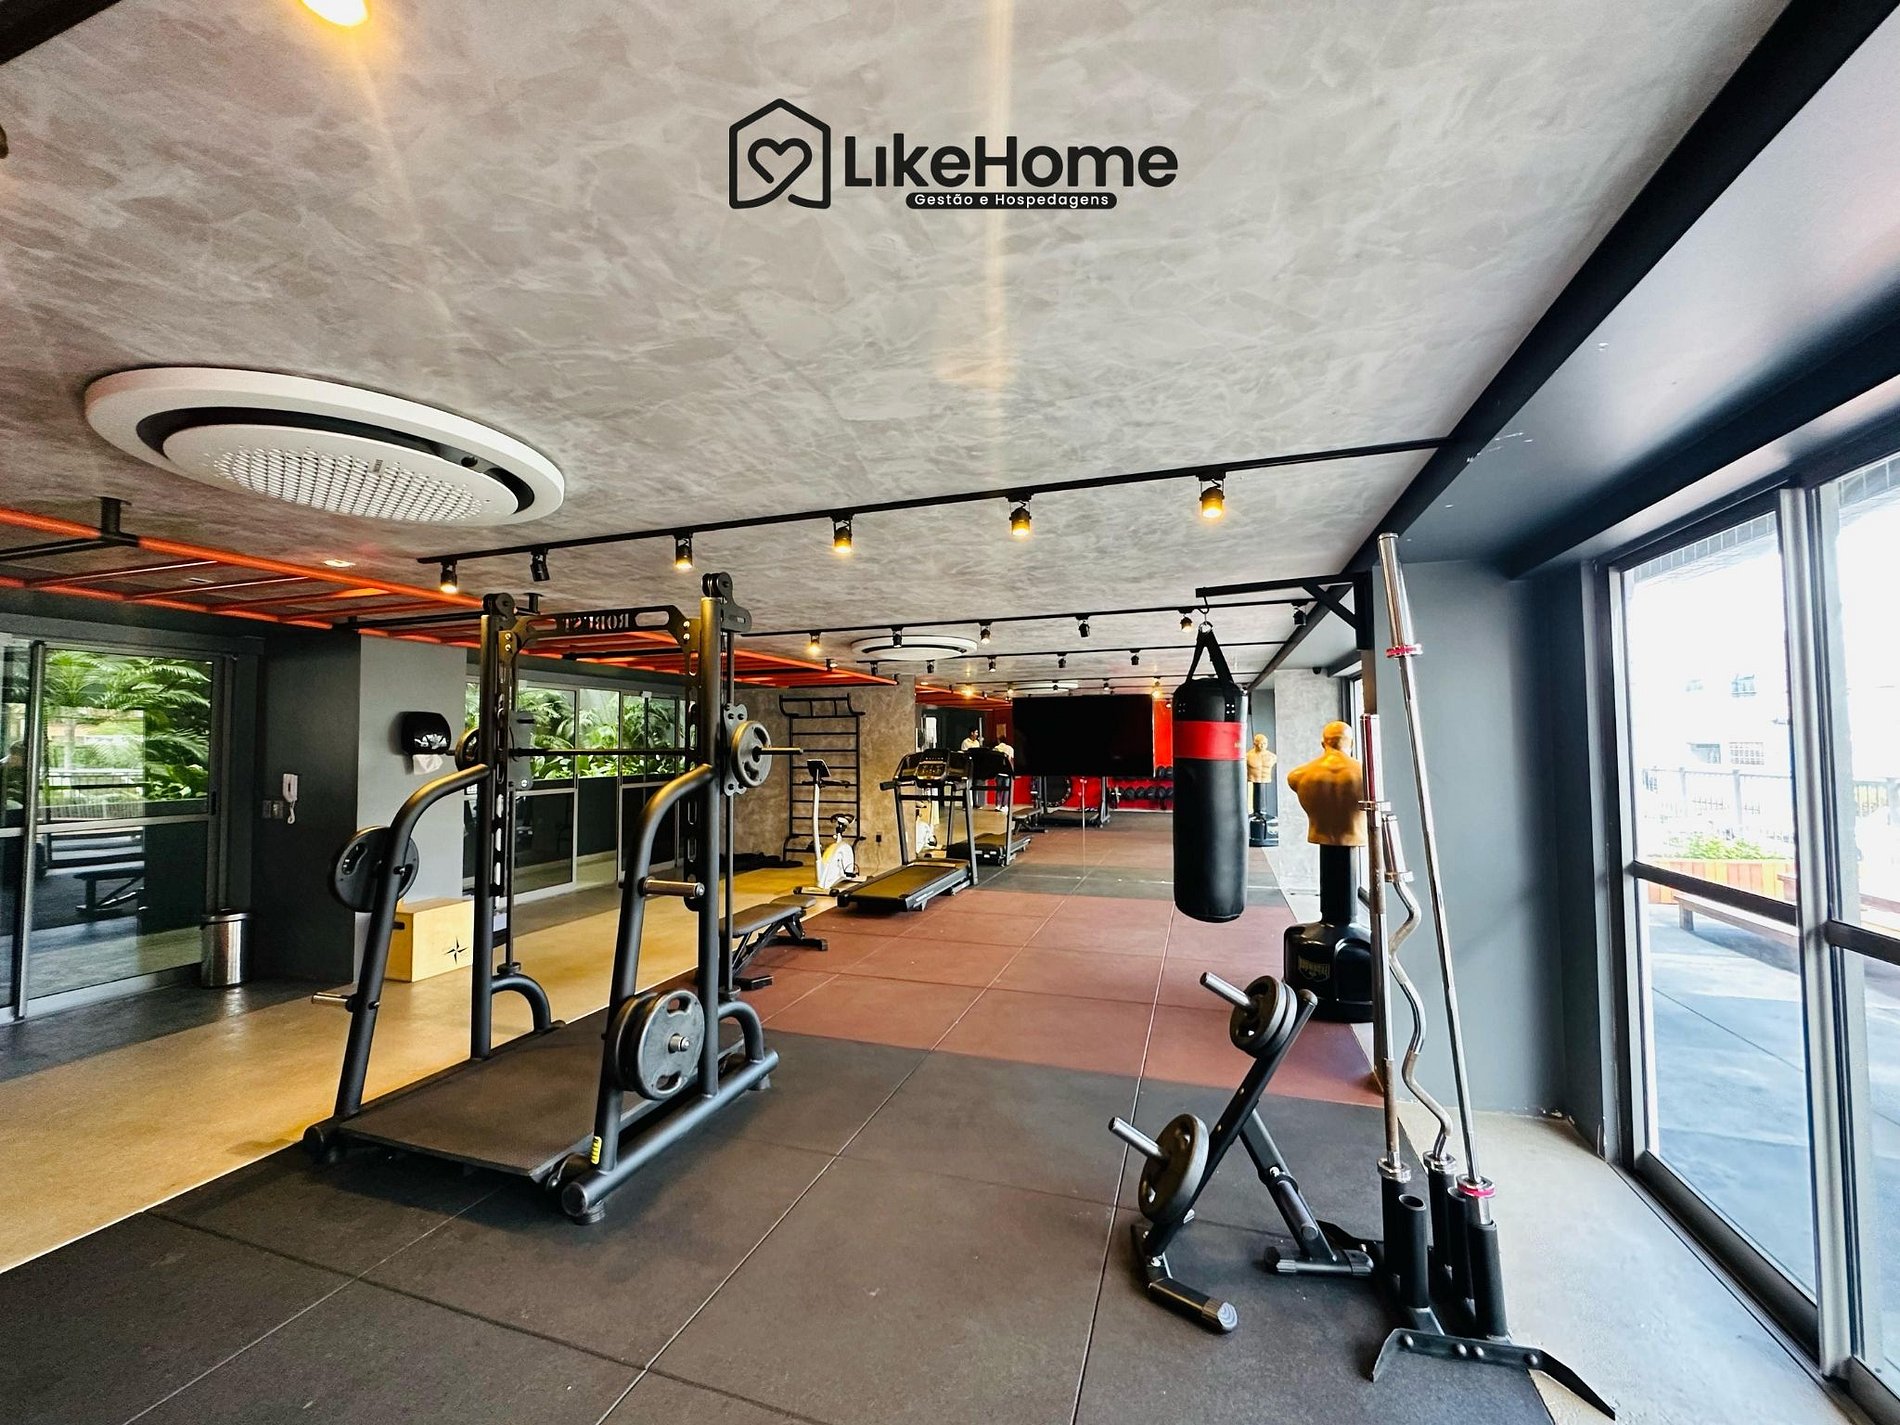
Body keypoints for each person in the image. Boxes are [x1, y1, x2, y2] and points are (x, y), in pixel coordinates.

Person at [1284, 720, 1365, 846]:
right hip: (1354, 837)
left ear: (1323, 744)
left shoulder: (1298, 775)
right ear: (1352, 743)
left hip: (1319, 836)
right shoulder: (1366, 775)